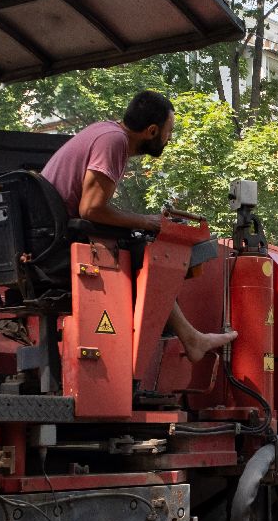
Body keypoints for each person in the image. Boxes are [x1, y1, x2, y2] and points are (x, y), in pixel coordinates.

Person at [41, 90, 236, 363]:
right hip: (57, 246)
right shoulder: (114, 142)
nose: (170, 139)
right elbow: (91, 209)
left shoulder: (105, 131)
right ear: (152, 131)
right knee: (151, 255)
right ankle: (189, 339)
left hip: (50, 238)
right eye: (169, 132)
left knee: (141, 248)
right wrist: (149, 222)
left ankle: (190, 337)